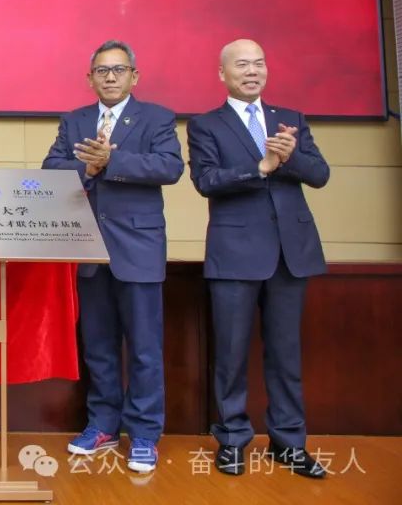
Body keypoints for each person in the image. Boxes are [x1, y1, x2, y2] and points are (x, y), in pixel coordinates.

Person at [187, 39, 328, 478]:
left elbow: (320, 174)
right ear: (223, 74)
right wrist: (261, 167)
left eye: (259, 63)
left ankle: (289, 443)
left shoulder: (291, 120)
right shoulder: (205, 125)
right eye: (243, 64)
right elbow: (206, 180)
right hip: (234, 254)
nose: (253, 71)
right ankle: (232, 439)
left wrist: (289, 157)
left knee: (286, 355)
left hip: (290, 253)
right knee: (230, 355)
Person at [42, 39, 183, 474]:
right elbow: (50, 170)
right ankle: (102, 424)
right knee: (99, 346)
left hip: (139, 247)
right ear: (90, 79)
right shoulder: (75, 121)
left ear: (134, 77)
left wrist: (112, 162)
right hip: (88, 248)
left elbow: (169, 167)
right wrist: (88, 168)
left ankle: (144, 434)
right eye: (101, 71)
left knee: (144, 348)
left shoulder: (157, 118)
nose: (110, 77)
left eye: (118, 70)